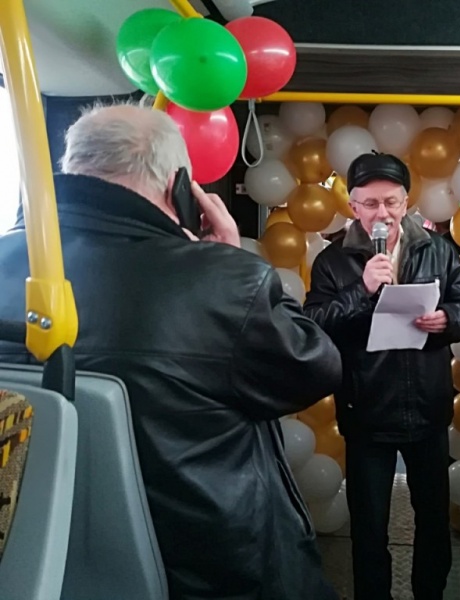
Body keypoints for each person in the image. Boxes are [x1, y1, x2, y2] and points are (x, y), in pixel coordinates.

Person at [0, 103, 342, 600]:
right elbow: (316, 367)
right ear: (180, 186)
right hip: (207, 573)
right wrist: (230, 259)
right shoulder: (222, 280)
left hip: (36, 562)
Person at [303, 152, 460, 600]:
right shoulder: (332, 261)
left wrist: (448, 320)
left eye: (391, 202)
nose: (381, 213)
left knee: (433, 521)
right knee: (369, 527)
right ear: (353, 206)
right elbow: (315, 323)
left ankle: (429, 593)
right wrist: (360, 290)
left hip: (427, 407)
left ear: (406, 203)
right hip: (366, 409)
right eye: (370, 204)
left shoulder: (438, 250)